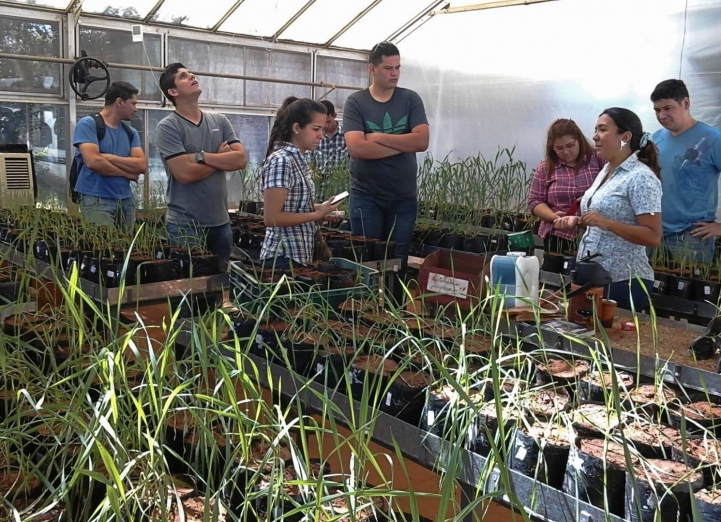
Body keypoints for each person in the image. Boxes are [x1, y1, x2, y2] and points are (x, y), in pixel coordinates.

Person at [554, 108, 662, 311]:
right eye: (596, 129)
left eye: (602, 129)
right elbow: (600, 220)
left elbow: (653, 236)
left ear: (625, 137)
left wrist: (608, 223)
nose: (595, 136)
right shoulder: (606, 171)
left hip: (622, 281)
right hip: (592, 277)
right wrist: (578, 222)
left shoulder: (641, 178)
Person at [156, 63, 248, 271]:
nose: (192, 76)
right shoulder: (169, 127)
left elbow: (241, 160)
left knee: (219, 286)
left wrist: (202, 156)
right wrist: (220, 157)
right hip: (185, 225)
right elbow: (184, 174)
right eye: (183, 76)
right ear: (173, 91)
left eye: (191, 73)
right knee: (189, 288)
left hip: (220, 222)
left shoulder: (220, 121)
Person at [343, 41, 429, 261]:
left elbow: (422, 142)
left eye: (398, 68)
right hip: (366, 196)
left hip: (403, 197)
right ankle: (367, 297)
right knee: (367, 257)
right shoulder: (356, 102)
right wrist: (403, 144)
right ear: (372, 69)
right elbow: (357, 148)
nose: (395, 73)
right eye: (388, 68)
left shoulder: (410, 99)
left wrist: (379, 138)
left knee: (397, 259)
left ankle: (393, 297)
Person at [260, 97, 341, 267]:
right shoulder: (282, 161)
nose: (321, 135)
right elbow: (272, 217)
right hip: (282, 256)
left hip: (298, 254)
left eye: (323, 129)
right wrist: (317, 215)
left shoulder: (298, 159)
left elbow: (292, 207)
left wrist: (321, 208)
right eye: (316, 129)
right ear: (296, 128)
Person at [651, 79, 721, 262]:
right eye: (657, 110)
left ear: (686, 103)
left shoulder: (712, 139)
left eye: (668, 108)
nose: (662, 115)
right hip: (655, 232)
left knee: (688, 289)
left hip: (692, 236)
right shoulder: (655, 139)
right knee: (652, 288)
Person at [72, 81, 146, 233]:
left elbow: (141, 166)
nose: (136, 109)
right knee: (104, 248)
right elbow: (93, 162)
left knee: (126, 249)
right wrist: (126, 173)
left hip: (125, 199)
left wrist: (109, 157)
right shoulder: (88, 124)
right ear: (119, 102)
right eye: (133, 103)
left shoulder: (130, 132)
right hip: (96, 199)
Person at [527, 119, 605, 254]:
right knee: (554, 273)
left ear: (579, 140)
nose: (566, 152)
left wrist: (591, 197)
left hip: (595, 232)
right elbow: (535, 201)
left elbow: (615, 186)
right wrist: (553, 217)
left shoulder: (598, 158)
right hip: (559, 235)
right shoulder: (546, 168)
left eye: (570, 145)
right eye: (559, 148)